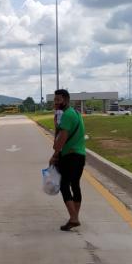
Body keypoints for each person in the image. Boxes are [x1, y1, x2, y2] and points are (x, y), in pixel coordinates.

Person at [49, 89, 85, 231]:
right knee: (75, 185)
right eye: (55, 100)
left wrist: (55, 155)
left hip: (70, 156)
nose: (55, 103)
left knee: (64, 185)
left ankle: (74, 218)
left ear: (66, 100)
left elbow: (61, 140)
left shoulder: (67, 116)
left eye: (58, 100)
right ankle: (74, 217)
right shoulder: (76, 113)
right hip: (80, 155)